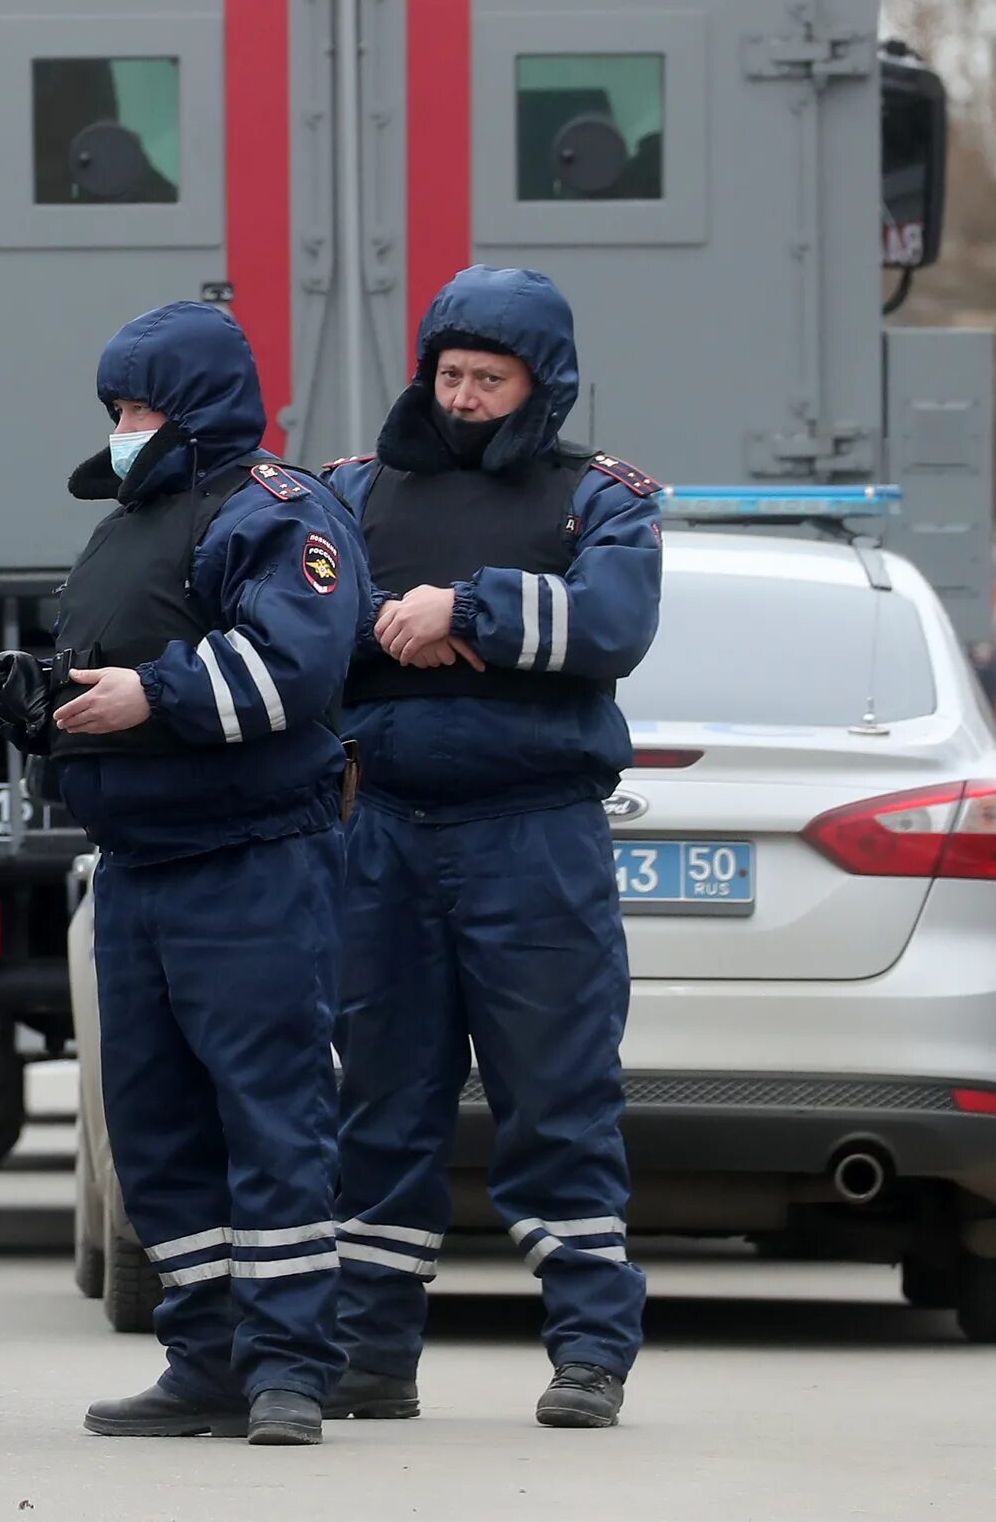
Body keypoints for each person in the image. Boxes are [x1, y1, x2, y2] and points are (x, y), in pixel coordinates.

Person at [319, 266, 662, 1430]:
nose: (463, 397)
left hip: (536, 843)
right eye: (449, 374)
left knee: (558, 1101)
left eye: (489, 378)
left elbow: (613, 625)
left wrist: (465, 612)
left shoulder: (597, 497)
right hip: (383, 835)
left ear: (542, 386)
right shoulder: (353, 490)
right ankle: (371, 1356)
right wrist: (398, 625)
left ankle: (590, 1353)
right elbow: (310, 621)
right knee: (380, 1103)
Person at [32, 301, 368, 1447]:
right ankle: (204, 1357)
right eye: (114, 410)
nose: (120, 431)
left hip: (251, 864)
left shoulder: (274, 512)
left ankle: (287, 1369)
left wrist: (152, 695)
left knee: (272, 1117)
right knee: (157, 1123)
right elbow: (113, 663)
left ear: (194, 409)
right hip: (136, 873)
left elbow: (296, 662)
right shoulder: (128, 524)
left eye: (136, 409)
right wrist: (45, 701)